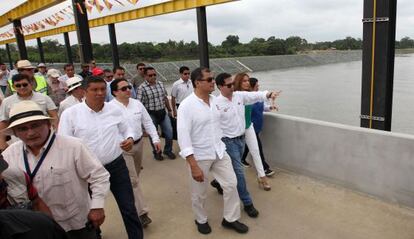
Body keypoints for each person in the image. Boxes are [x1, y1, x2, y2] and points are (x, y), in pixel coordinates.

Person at [2, 100, 110, 238]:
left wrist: (97, 207)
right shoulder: (9, 155)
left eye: (35, 125)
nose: (30, 133)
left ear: (48, 124)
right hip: (36, 230)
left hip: (76, 224)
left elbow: (99, 177)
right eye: (23, 129)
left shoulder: (73, 146)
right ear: (15, 133)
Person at [59, 76, 143, 239]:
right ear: (84, 91)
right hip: (87, 172)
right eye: (94, 90)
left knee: (128, 207)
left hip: (116, 166)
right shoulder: (71, 114)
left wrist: (130, 139)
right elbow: (63, 144)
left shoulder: (114, 110)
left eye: (103, 89)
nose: (99, 93)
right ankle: (96, 235)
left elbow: (128, 130)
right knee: (91, 211)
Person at [177, 67, 248, 235]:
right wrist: (193, 164)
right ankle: (200, 219)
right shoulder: (187, 106)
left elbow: (222, 123)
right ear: (197, 83)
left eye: (213, 78)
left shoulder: (215, 100)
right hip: (200, 156)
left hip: (220, 152)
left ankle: (230, 219)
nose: (213, 82)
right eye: (209, 80)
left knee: (231, 184)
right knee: (199, 193)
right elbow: (183, 136)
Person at [109, 78, 161, 227]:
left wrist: (156, 139)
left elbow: (147, 122)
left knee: (134, 178)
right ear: (115, 92)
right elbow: (110, 130)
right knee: (133, 180)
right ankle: (142, 213)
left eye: (129, 87)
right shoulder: (110, 108)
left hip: (139, 145)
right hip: (123, 148)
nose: (128, 90)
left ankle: (131, 197)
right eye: (124, 88)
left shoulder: (137, 104)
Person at [0, 155, 68, 239]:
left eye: (1, 171)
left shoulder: (16, 176)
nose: (2, 177)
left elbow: (37, 203)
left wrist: (48, 227)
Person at [234, 73, 279, 190]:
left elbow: (259, 96)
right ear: (238, 82)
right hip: (236, 130)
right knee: (234, 158)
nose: (247, 83)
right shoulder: (234, 96)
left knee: (256, 152)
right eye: (244, 81)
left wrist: (269, 94)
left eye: (248, 80)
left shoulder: (250, 95)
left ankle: (262, 177)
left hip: (249, 127)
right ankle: (219, 181)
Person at [0, 73, 58, 151]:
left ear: (31, 84)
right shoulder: (7, 102)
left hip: (43, 135)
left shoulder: (44, 98)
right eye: (18, 85)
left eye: (25, 84)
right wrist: (2, 142)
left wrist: (56, 135)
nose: (22, 87)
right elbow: (4, 122)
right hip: (19, 138)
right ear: (13, 87)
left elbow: (54, 117)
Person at [137, 66, 175, 160]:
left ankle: (168, 150)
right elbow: (139, 105)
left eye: (154, 74)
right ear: (145, 76)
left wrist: (169, 110)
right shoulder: (142, 88)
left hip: (162, 112)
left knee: (169, 132)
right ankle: (157, 152)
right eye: (150, 75)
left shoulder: (161, 84)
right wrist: (142, 123)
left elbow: (165, 98)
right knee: (153, 134)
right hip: (151, 114)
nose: (153, 77)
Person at [241, 77, 276, 177]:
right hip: (249, 128)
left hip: (258, 127)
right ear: (251, 87)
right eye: (256, 86)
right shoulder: (246, 98)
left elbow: (263, 107)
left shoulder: (259, 97)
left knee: (249, 146)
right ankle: (265, 168)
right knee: (258, 149)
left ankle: (242, 159)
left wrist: (270, 107)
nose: (258, 87)